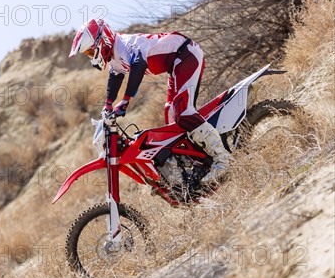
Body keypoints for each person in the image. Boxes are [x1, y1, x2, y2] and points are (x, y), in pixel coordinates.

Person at [69, 18, 229, 182]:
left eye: (90, 52)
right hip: (175, 66)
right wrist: (107, 106)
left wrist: (125, 100)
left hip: (186, 55)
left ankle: (222, 159)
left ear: (102, 41)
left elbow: (139, 65)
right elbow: (115, 78)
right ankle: (198, 163)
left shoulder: (123, 45)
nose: (90, 57)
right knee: (171, 118)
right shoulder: (114, 57)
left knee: (183, 112)